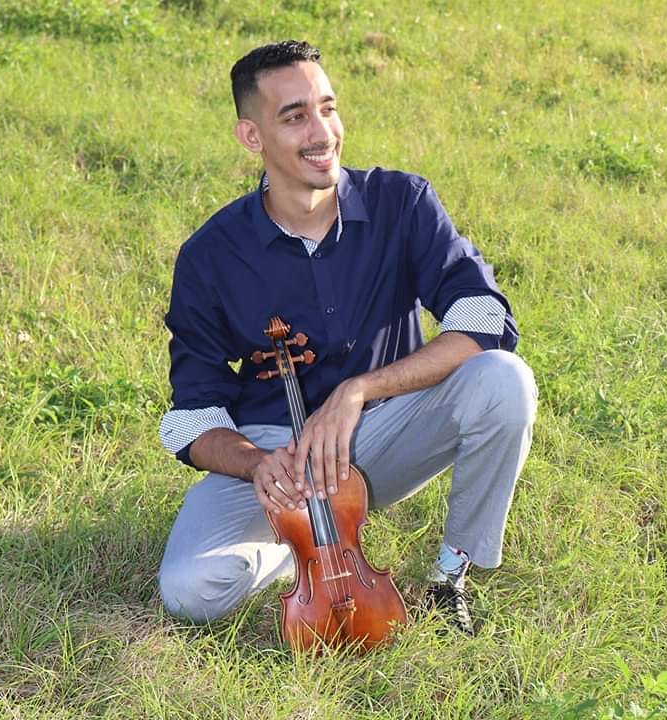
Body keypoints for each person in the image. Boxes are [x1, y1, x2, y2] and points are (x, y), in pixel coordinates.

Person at [158, 40, 537, 636]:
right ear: (252, 136)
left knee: (503, 380)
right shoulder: (211, 255)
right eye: (295, 116)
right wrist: (257, 464)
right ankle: (297, 546)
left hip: (382, 435)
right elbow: (191, 416)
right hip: (277, 454)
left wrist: (358, 391)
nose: (322, 133)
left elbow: (484, 319)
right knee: (190, 591)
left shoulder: (402, 203)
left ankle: (449, 575)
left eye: (327, 108)